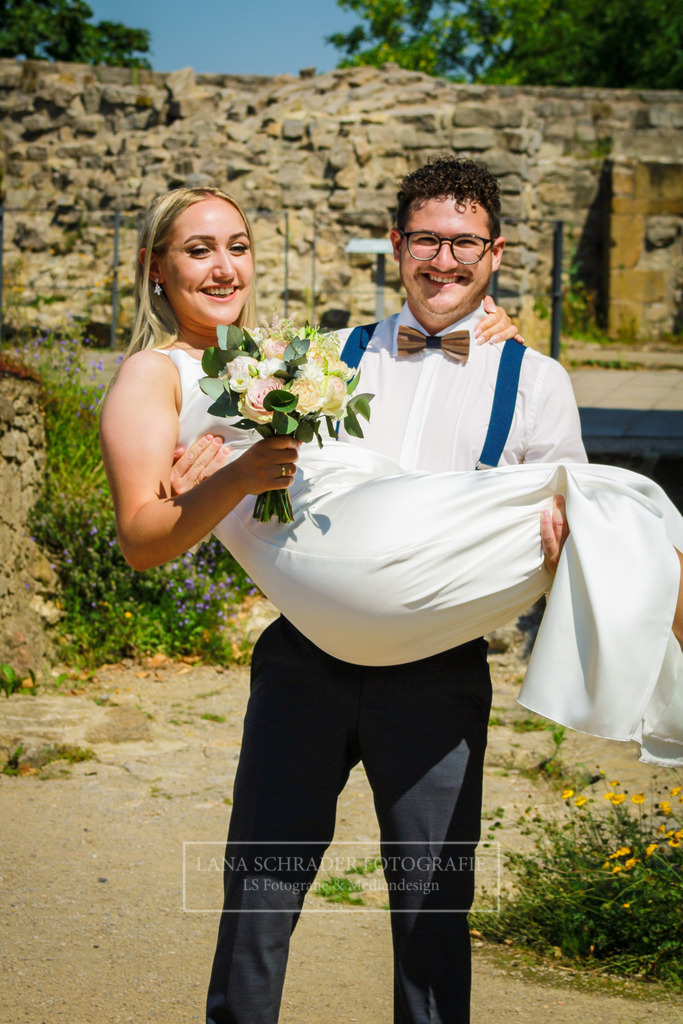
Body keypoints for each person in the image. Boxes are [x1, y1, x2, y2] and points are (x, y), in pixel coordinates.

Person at [99, 169, 683, 1024]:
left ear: (495, 254)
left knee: (432, 902)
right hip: (306, 660)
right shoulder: (318, 356)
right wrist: (216, 481)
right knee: (260, 885)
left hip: (437, 674)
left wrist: (562, 549)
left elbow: (536, 524)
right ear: (396, 246)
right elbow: (220, 466)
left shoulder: (536, 379)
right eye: (424, 241)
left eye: (463, 244)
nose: (442, 262)